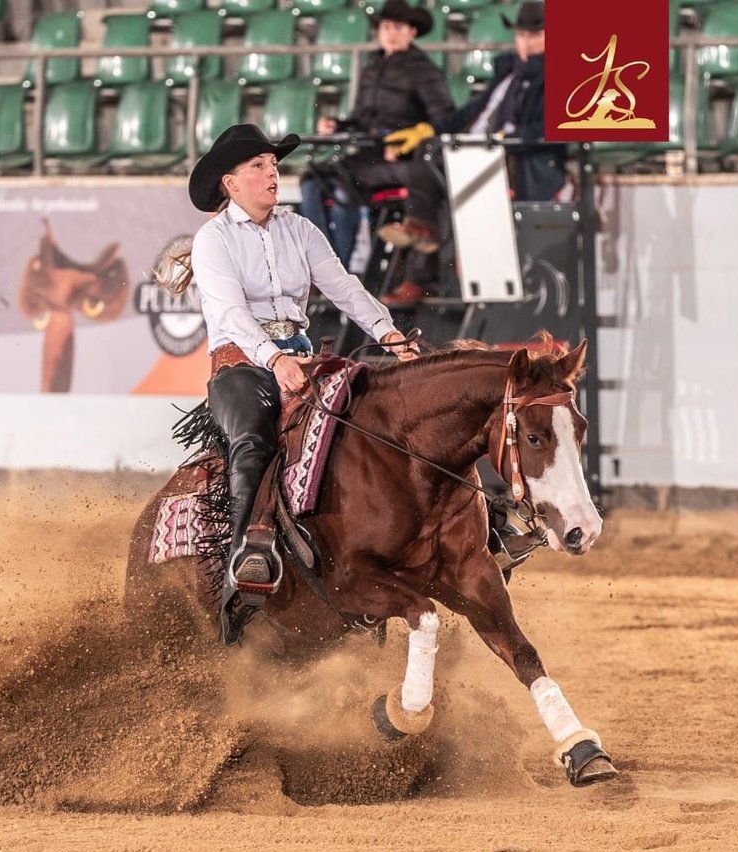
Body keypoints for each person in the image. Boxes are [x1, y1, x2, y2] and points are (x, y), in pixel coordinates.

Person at [162, 123, 418, 644]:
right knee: (253, 439)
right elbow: (231, 314)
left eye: (273, 164)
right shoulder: (215, 239)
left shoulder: (300, 229)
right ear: (230, 184)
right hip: (240, 366)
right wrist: (272, 358)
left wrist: (388, 333)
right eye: (257, 166)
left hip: (303, 360)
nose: (271, 172)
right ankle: (245, 557)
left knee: (373, 422)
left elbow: (344, 286)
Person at [377, 0, 568, 259]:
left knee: (436, 166)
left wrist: (507, 139)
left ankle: (424, 241)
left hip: (514, 157)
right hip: (481, 149)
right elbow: (471, 112)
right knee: (429, 150)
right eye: (522, 35)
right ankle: (424, 236)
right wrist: (430, 129)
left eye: (535, 35)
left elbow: (550, 128)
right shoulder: (508, 73)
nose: (527, 43)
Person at [299, 0, 454, 309]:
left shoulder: (424, 71)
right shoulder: (372, 68)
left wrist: (412, 140)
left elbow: (444, 118)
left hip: (404, 160)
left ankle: (334, 272)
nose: (390, 33)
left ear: (411, 32)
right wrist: (339, 124)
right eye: (386, 27)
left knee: (342, 183)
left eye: (397, 28)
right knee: (311, 181)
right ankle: (319, 270)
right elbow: (361, 118)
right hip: (369, 154)